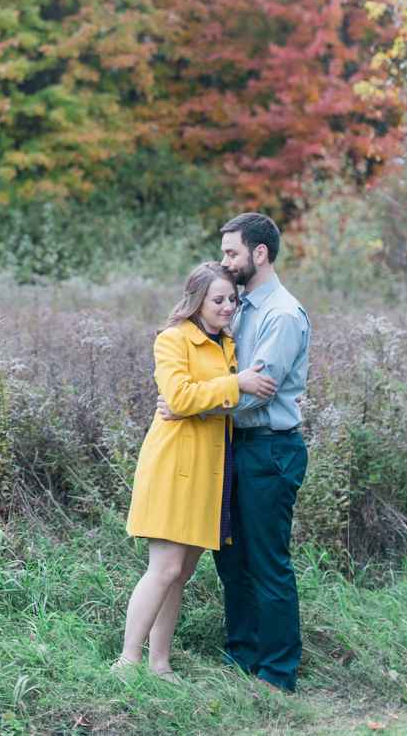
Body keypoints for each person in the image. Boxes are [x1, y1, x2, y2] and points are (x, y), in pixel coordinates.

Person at [158, 213, 310, 693]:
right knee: (232, 560)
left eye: (231, 252)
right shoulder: (236, 306)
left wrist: (187, 406)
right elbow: (218, 375)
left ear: (258, 254)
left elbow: (256, 391)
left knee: (267, 562)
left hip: (269, 451)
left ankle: (278, 673)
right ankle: (241, 657)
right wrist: (192, 398)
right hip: (230, 447)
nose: (225, 260)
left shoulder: (281, 315)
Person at [113, 261, 277, 683]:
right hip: (173, 467)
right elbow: (180, 397)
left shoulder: (227, 345)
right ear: (196, 301)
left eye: (231, 300)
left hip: (209, 472)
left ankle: (159, 663)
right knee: (163, 568)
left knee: (181, 574)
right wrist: (233, 386)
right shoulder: (172, 340)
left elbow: (193, 401)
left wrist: (205, 399)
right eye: (217, 299)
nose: (226, 307)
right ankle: (127, 661)